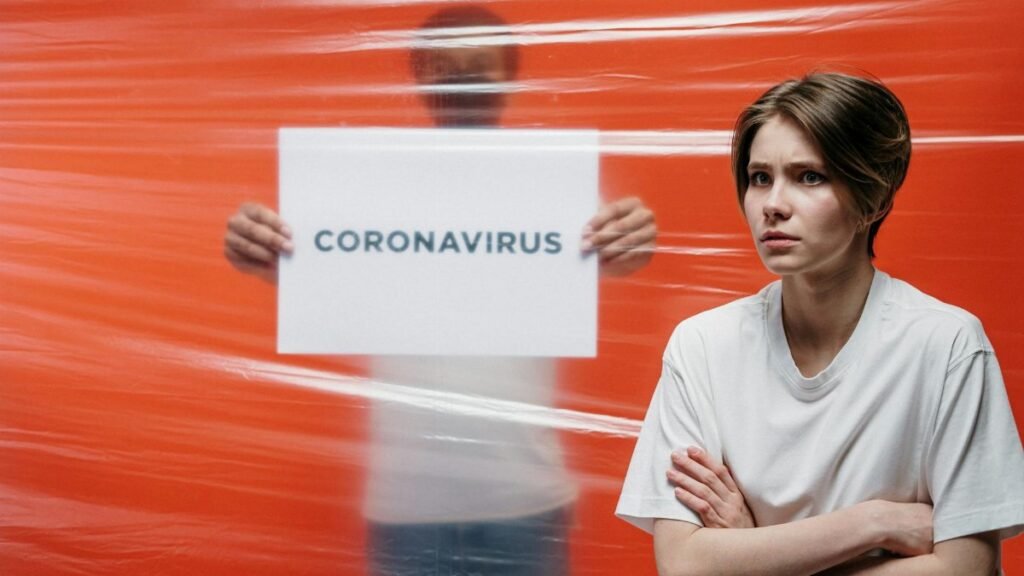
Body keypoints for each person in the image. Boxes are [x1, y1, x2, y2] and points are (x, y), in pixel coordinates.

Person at [225, 5, 656, 575]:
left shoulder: (551, 182)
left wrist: (636, 237)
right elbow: (303, 268)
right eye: (447, 69)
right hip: (406, 509)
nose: (464, 84)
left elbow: (617, 256)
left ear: (511, 78)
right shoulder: (371, 185)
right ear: (420, 77)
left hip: (524, 504)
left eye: (479, 68)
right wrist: (253, 245)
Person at [616, 72, 1024, 575]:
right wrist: (873, 523)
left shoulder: (945, 345)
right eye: (759, 177)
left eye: (809, 176)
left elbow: (966, 570)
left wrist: (755, 552)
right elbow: (684, 564)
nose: (773, 205)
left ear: (871, 198)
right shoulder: (702, 346)